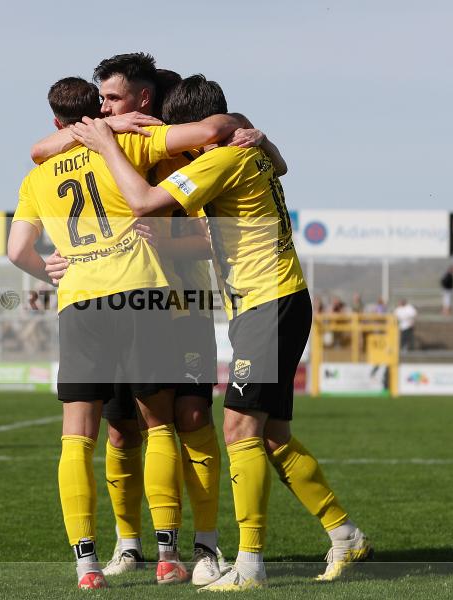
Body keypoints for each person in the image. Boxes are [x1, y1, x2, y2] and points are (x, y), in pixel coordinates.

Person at [70, 74, 371, 589]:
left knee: (238, 429)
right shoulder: (247, 151)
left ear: (203, 129)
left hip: (267, 302)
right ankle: (345, 536)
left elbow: (143, 201)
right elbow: (280, 163)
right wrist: (263, 137)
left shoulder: (221, 160)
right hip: (275, 300)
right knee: (273, 437)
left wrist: (105, 143)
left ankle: (250, 567)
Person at [35, 54, 273, 585]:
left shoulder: (181, 153)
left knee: (191, 418)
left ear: (146, 102)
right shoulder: (111, 144)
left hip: (182, 303)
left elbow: (219, 237)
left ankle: (205, 545)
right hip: (128, 301)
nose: (101, 110)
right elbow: (40, 150)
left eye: (112, 100)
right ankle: (129, 545)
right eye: (100, 101)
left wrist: (166, 241)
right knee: (122, 431)